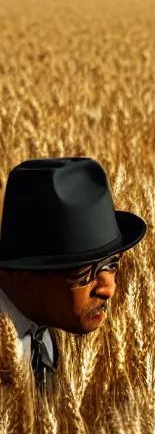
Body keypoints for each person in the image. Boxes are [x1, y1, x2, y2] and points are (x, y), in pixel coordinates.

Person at [0, 157, 147, 391]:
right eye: (83, 276)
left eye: (112, 265)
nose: (109, 288)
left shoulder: (44, 330)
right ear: (25, 281)